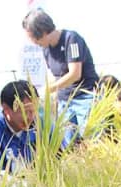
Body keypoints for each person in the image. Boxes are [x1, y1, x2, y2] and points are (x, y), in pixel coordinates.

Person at [22, 8, 98, 146]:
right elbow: (56, 77)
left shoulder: (72, 39)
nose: (34, 42)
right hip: (65, 102)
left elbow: (75, 74)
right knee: (68, 144)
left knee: (90, 140)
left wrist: (47, 89)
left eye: (34, 37)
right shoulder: (46, 50)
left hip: (84, 97)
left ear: (43, 31)